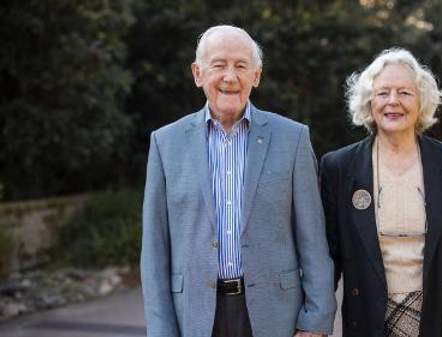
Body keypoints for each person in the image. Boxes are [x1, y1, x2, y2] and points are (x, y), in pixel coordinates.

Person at [141, 25, 336, 337]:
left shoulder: (293, 138)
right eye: (218, 65)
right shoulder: (166, 143)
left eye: (241, 66)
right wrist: (161, 330)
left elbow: (313, 239)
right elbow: (154, 250)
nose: (230, 77)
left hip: (275, 316)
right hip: (194, 316)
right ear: (198, 73)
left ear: (256, 76)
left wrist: (315, 320)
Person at [319, 48, 442, 337]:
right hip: (367, 323)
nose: (393, 102)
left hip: (439, 322)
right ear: (369, 101)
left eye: (405, 93)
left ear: (421, 101)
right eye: (383, 92)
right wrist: (315, 322)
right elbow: (326, 259)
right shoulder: (339, 166)